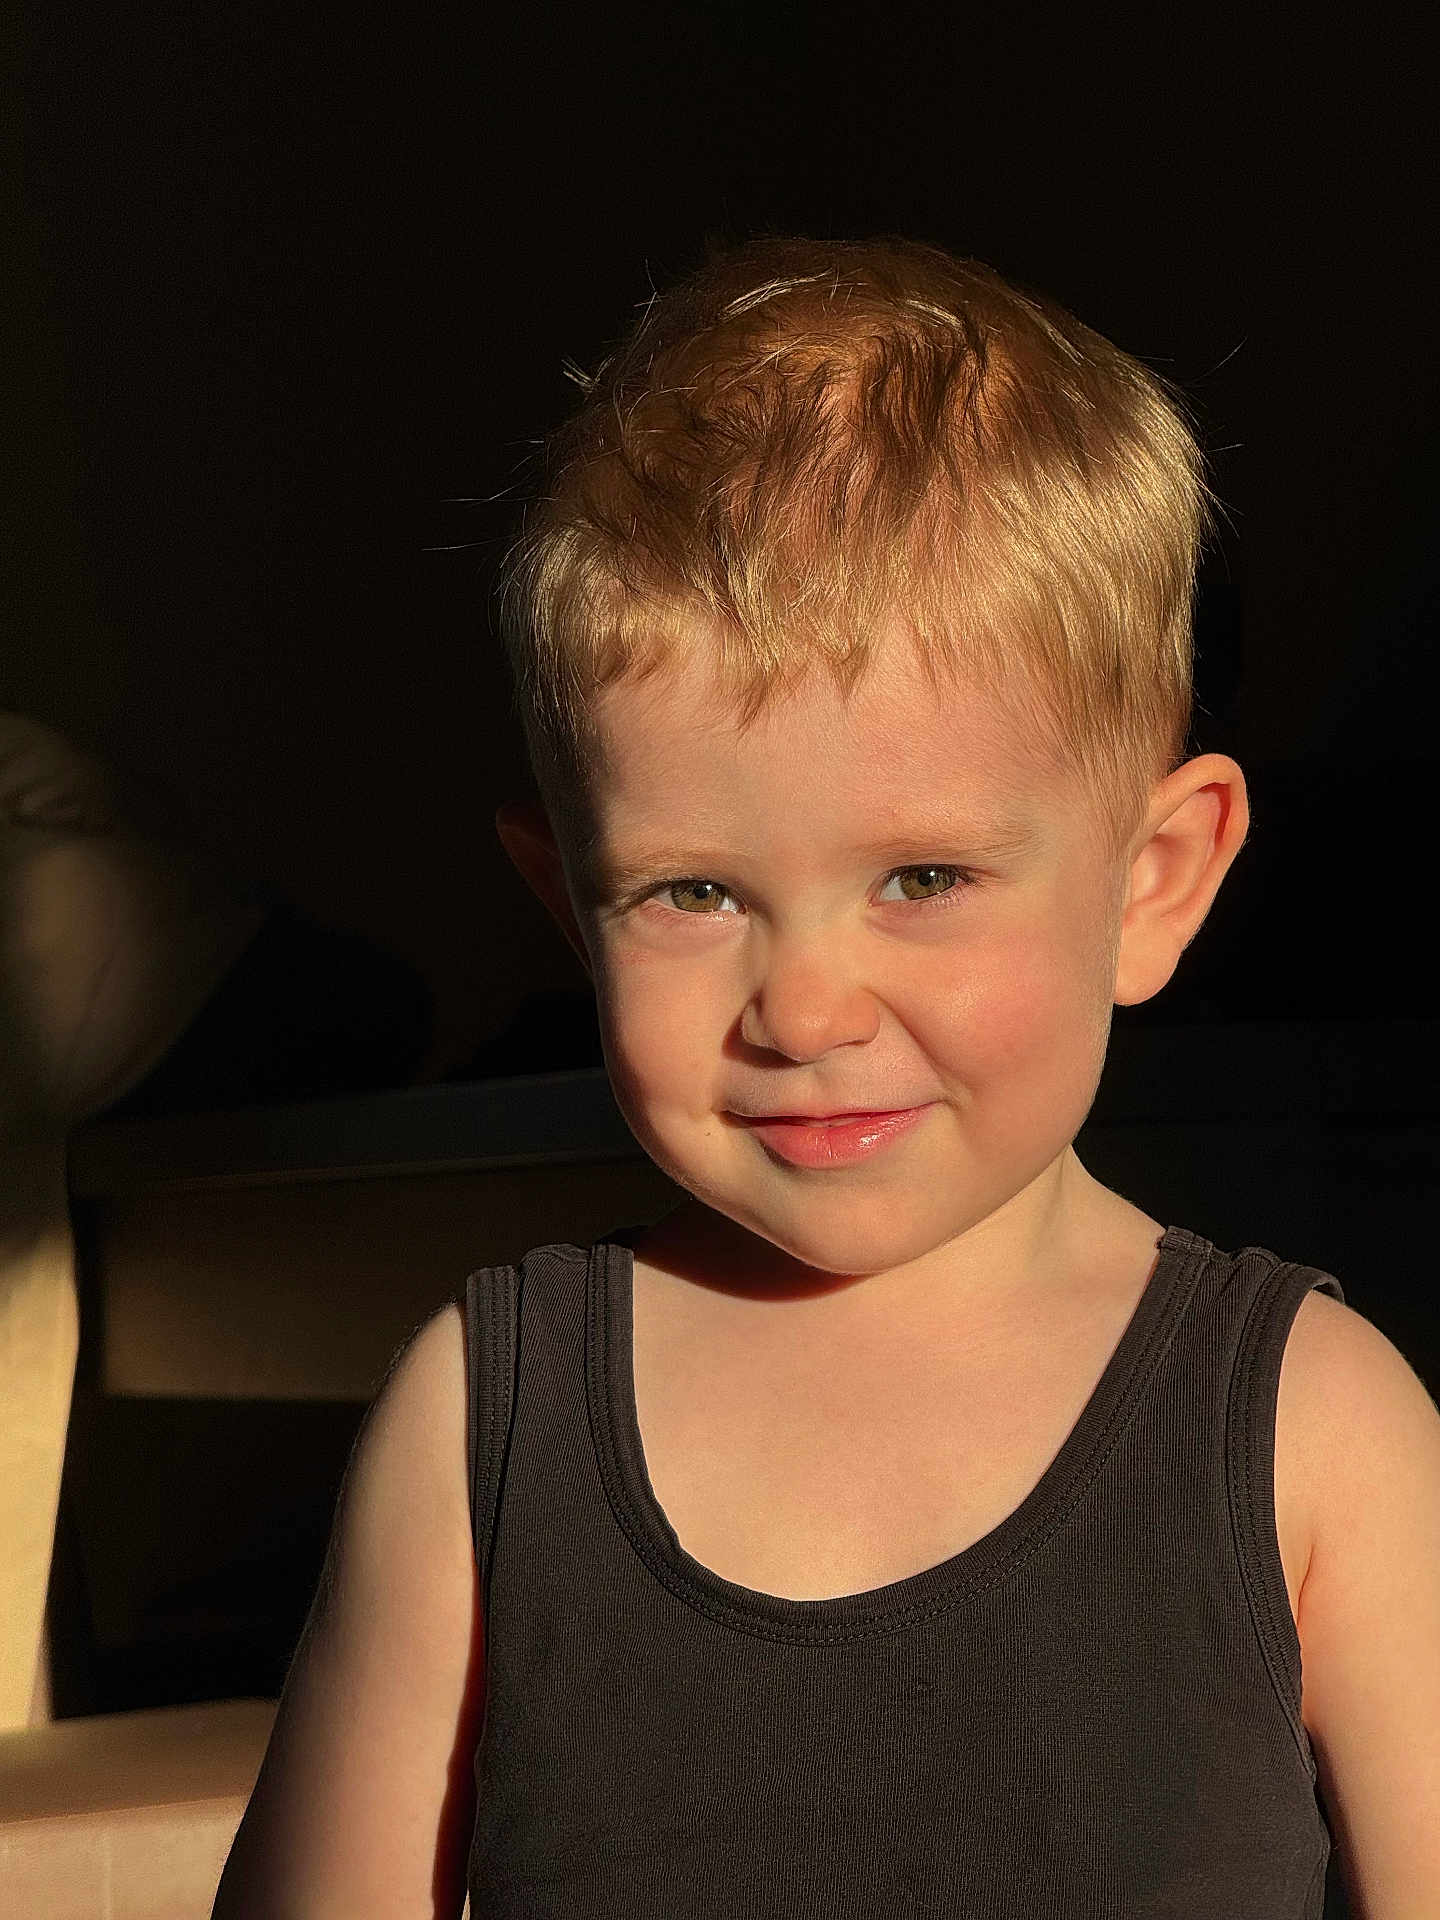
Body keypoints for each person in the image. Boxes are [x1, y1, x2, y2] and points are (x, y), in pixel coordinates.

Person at [211, 236, 1440, 1918]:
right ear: (568, 907)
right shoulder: (485, 1424)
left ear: (1152, 884)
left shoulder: (1316, 1427)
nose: (802, 1007)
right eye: (692, 893)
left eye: (922, 880)